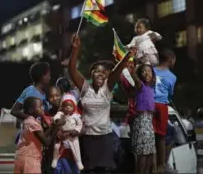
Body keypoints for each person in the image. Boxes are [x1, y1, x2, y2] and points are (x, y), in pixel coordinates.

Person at [68, 33, 137, 173]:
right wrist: (75, 49)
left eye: (104, 72)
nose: (100, 73)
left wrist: (128, 55)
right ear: (91, 74)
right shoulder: (84, 87)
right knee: (89, 171)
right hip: (87, 138)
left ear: (107, 77)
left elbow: (118, 69)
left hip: (105, 138)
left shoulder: (107, 88)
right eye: (96, 71)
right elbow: (72, 69)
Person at [14, 97, 61, 174]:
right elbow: (46, 142)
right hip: (30, 159)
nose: (42, 108)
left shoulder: (29, 120)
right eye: (40, 107)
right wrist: (55, 129)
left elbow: (41, 136)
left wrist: (52, 126)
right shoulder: (33, 123)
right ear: (31, 110)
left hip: (22, 157)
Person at [152, 48, 177, 173]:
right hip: (162, 105)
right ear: (171, 60)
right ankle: (161, 165)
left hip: (149, 105)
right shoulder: (172, 77)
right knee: (161, 136)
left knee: (151, 136)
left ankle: (153, 164)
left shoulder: (150, 71)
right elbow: (170, 94)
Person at [130, 64, 156, 174]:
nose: (146, 73)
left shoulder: (151, 87)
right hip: (141, 120)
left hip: (149, 121)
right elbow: (134, 75)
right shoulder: (140, 85)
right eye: (144, 71)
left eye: (149, 71)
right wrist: (137, 67)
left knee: (150, 152)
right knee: (143, 153)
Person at [52, 93, 83, 170]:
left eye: (70, 106)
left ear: (74, 107)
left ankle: (78, 161)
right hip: (62, 134)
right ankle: (55, 160)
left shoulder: (76, 116)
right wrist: (58, 120)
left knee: (76, 148)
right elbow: (55, 117)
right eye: (66, 106)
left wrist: (76, 130)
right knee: (56, 147)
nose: (68, 107)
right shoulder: (60, 114)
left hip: (72, 135)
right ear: (62, 107)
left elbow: (80, 124)